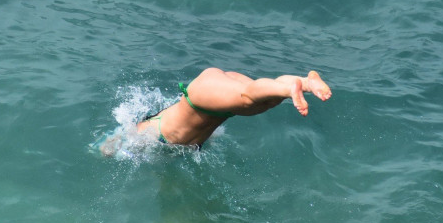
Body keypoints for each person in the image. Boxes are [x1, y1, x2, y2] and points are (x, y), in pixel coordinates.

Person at [134, 68, 332, 148]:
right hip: (215, 102)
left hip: (201, 95)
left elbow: (118, 141)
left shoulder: (143, 132)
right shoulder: (183, 132)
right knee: (264, 103)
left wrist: (106, 149)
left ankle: (292, 89)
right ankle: (305, 83)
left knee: (248, 98)